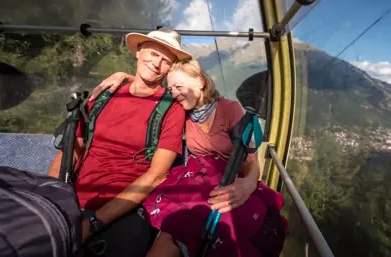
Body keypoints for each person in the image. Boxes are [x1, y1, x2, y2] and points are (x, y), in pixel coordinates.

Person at [91, 59, 288, 257]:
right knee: (175, 229)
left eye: (178, 86)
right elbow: (151, 91)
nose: (174, 93)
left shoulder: (229, 109)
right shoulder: (180, 111)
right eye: (171, 89)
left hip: (228, 180)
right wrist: (125, 76)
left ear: (200, 82)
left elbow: (251, 160)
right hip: (198, 179)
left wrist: (247, 185)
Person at [47, 27, 192, 257]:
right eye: (154, 54)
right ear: (139, 51)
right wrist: (47, 198)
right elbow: (71, 151)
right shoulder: (105, 94)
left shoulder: (171, 109)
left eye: (165, 61)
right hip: (75, 200)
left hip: (127, 210)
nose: (156, 63)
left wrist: (93, 223)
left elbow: (156, 175)